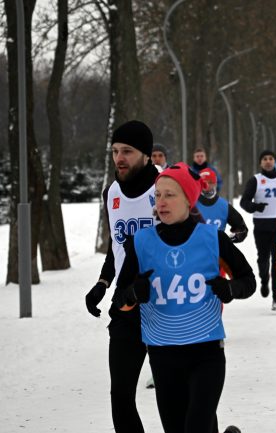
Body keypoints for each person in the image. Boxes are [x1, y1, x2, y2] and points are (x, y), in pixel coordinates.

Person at [112, 162, 255, 433]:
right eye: (158, 195)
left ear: (189, 199)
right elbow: (119, 301)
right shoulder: (141, 242)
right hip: (162, 355)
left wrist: (231, 290)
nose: (161, 202)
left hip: (206, 352)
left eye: (170, 194)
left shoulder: (212, 238)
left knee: (197, 426)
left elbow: (248, 280)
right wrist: (133, 293)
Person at [84, 120, 158, 433]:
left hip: (165, 303)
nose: (119, 158)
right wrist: (102, 283)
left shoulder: (167, 187)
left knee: (177, 394)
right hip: (126, 304)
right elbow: (117, 247)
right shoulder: (111, 192)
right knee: (121, 396)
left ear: (146, 155)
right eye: (115, 151)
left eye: (127, 151)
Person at [240, 150, 276, 311]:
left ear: (275, 161)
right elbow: (244, 202)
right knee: (263, 259)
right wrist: (255, 207)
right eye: (264, 159)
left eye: (271, 158)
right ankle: (264, 279)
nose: (268, 161)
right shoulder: (255, 180)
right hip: (262, 226)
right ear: (260, 163)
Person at [196, 168, 248, 243]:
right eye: (204, 182)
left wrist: (234, 238)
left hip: (216, 252)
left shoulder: (224, 206)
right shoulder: (189, 204)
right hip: (193, 251)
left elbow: (242, 229)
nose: (207, 185)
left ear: (215, 184)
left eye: (210, 182)